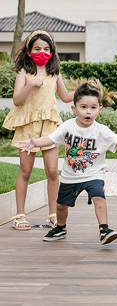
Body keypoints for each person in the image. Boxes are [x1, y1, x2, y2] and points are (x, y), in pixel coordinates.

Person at [21, 82, 117, 244]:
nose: (88, 111)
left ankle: (104, 229)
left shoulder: (101, 130)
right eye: (83, 107)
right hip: (70, 176)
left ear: (99, 109)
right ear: (74, 109)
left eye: (93, 107)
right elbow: (51, 138)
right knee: (61, 206)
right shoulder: (67, 126)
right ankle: (60, 228)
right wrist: (35, 142)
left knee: (99, 197)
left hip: (94, 174)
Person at [3, 31, 75, 231]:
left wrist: (80, 91)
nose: (42, 52)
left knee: (52, 171)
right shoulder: (24, 72)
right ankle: (19, 215)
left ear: (52, 51)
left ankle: (53, 214)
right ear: (29, 50)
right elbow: (17, 100)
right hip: (29, 127)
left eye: (46, 48)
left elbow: (65, 96)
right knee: (25, 171)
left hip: (49, 126)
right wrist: (31, 84)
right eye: (37, 48)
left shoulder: (54, 72)